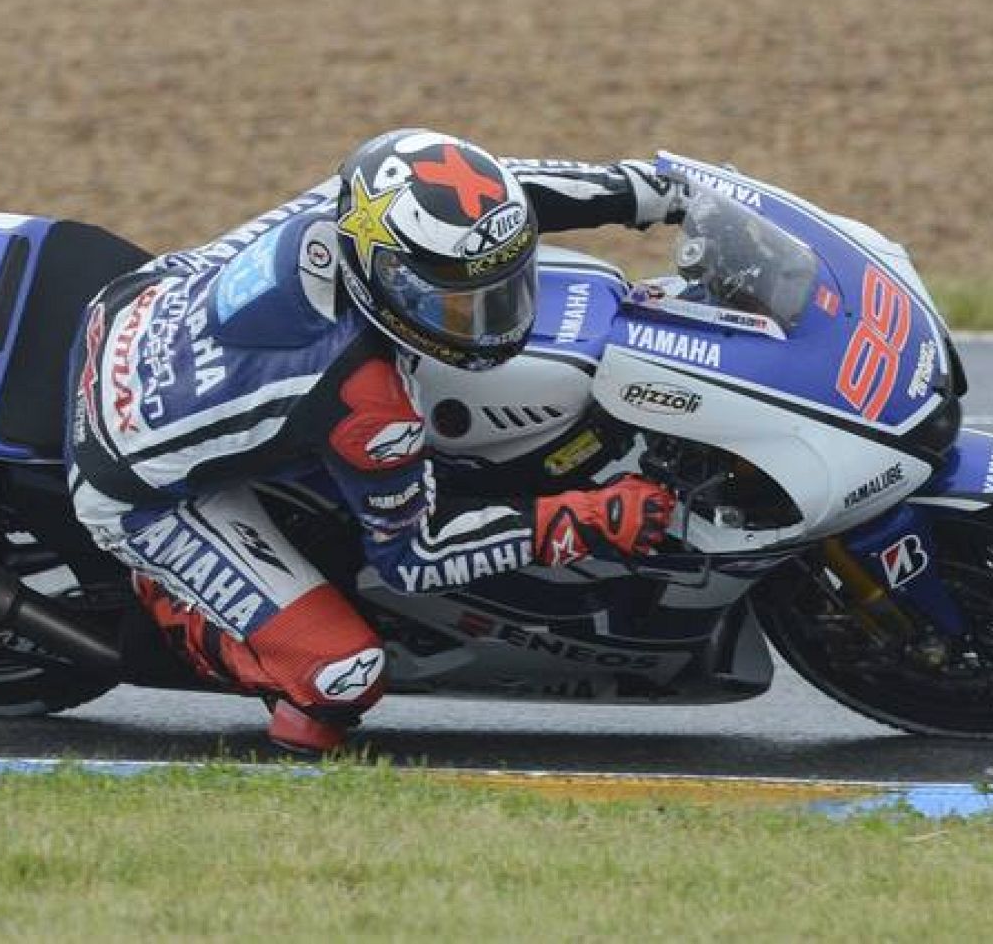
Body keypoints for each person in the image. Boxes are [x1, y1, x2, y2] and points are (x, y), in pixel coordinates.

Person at [65, 129, 682, 752]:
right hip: (131, 478)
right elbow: (417, 559)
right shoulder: (369, 401)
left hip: (144, 299)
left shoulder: (367, 204)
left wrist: (653, 192)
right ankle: (178, 612)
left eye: (501, 290)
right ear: (386, 279)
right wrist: (580, 519)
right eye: (460, 303)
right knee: (339, 680)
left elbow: (512, 188)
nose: (494, 317)